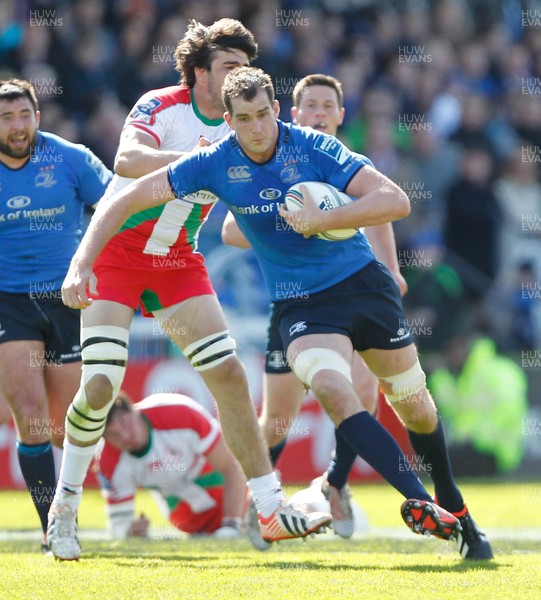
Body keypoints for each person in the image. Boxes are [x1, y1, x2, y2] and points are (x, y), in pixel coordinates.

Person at [60, 66, 495, 560]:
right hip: (301, 304)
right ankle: (420, 503)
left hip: (363, 285)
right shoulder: (212, 162)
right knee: (332, 390)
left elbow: (393, 200)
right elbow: (127, 197)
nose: (258, 128)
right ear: (229, 120)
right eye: (244, 119)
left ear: (275, 110)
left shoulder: (313, 146)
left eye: (264, 114)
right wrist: (82, 263)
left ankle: (456, 508)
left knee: (415, 407)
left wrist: (323, 219)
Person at [46, 21, 331, 562]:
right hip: (120, 255)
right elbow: (126, 163)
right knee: (103, 384)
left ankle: (267, 507)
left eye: (246, 68)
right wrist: (197, 162)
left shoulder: (240, 124)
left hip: (178, 261)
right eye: (228, 66)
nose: (238, 77)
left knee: (227, 373)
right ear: (200, 71)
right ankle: (64, 507)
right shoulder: (162, 105)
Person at [221, 74, 408, 543]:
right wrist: (285, 222)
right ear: (295, 114)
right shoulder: (276, 165)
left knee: (363, 392)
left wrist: (392, 269)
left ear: (342, 115)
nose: (321, 114)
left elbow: (381, 210)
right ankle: (261, 497)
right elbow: (229, 231)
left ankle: (335, 484)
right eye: (313, 106)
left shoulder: (348, 166)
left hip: (354, 293)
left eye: (330, 106)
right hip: (296, 303)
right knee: (279, 415)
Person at [0, 78, 112, 552]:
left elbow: (115, 206)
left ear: (38, 117)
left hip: (67, 297)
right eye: (6, 118)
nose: (17, 126)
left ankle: (76, 511)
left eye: (24, 115)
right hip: (8, 301)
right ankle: (53, 528)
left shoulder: (71, 158)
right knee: (30, 417)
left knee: (69, 422)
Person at [97, 391, 247, 540]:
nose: (124, 435)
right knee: (194, 527)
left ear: (133, 410)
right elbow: (118, 524)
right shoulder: (108, 459)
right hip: (181, 508)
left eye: (124, 422)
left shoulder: (179, 414)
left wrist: (231, 524)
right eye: (113, 434)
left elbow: (232, 466)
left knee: (253, 513)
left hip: (217, 479)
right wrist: (131, 531)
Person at [429, 333, 528, 476]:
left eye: (457, 348)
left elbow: (509, 410)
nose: (453, 354)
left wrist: (478, 437)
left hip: (495, 449)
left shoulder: (500, 371)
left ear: (469, 346)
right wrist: (438, 376)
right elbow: (452, 407)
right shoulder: (466, 375)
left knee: (445, 469)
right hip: (470, 447)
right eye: (449, 349)